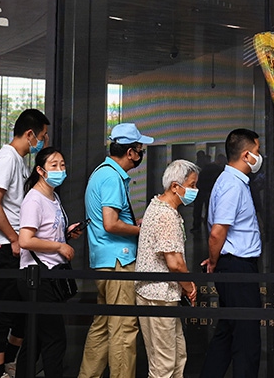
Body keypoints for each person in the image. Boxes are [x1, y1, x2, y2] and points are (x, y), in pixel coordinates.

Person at [77, 123, 150, 378]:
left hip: (104, 261)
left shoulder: (101, 173)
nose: (141, 154)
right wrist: (142, 230)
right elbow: (110, 223)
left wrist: (132, 223)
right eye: (140, 149)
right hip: (119, 261)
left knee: (102, 327)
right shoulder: (112, 177)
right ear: (130, 152)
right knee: (123, 329)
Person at [0, 109, 50, 378]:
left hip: (17, 247)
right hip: (4, 246)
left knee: (22, 314)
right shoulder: (7, 158)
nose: (44, 141)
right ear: (29, 134)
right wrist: (14, 238)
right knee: (3, 313)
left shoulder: (20, 161)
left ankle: (9, 362)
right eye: (43, 136)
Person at [200, 128, 264, 378]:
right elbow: (217, 232)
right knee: (247, 340)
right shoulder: (232, 185)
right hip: (237, 267)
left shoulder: (233, 182)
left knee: (226, 334)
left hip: (236, 266)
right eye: (257, 151)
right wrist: (214, 261)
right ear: (246, 155)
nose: (260, 156)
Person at [17, 146, 83, 378]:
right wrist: (59, 246)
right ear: (40, 170)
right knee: (55, 339)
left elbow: (46, 234)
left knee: (34, 339)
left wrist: (66, 235)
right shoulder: (34, 200)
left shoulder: (53, 197)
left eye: (62, 165)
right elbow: (25, 240)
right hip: (37, 277)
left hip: (50, 274)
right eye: (53, 165)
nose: (59, 170)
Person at [135, 159, 200, 378]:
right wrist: (190, 287)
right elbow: (175, 263)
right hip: (159, 296)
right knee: (163, 364)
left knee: (176, 356)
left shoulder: (156, 206)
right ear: (175, 186)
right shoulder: (166, 215)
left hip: (155, 293)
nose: (195, 190)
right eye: (191, 185)